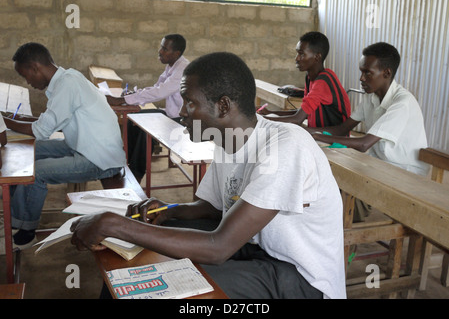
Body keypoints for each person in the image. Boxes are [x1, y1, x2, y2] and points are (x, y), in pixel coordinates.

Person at [70, 52, 346, 299]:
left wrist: (115, 224)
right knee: (138, 256)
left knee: (170, 287)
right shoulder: (229, 142)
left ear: (223, 106)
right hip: (254, 248)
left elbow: (218, 247)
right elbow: (214, 208)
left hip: (301, 277)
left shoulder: (286, 147)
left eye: (189, 102)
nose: (181, 111)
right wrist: (168, 210)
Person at [0, 42, 126, 253]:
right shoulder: (68, 78)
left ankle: (25, 233)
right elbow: (48, 122)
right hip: (83, 145)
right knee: (27, 148)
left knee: (35, 172)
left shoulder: (67, 85)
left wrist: (4, 121)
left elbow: (41, 129)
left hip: (99, 159)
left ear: (35, 68)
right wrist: (17, 119)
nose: (28, 82)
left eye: (26, 76)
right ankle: (14, 216)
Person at [309, 42, 429, 221]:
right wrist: (306, 131)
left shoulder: (402, 103)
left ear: (386, 73)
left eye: (367, 73)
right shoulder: (371, 97)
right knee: (333, 173)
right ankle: (343, 227)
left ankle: (349, 234)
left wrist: (317, 136)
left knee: (351, 182)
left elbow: (364, 143)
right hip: (381, 163)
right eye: (361, 72)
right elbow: (343, 129)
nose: (361, 78)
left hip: (406, 173)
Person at [107, 34, 189, 183]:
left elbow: (160, 92)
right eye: (161, 47)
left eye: (164, 49)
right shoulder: (172, 65)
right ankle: (125, 164)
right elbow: (157, 87)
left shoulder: (183, 69)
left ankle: (136, 174)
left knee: (148, 130)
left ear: (176, 54)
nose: (160, 51)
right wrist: (135, 95)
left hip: (185, 121)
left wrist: (122, 99)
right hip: (172, 115)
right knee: (135, 119)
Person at [262, 32, 351, 128]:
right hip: (319, 136)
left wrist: (261, 120)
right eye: (297, 53)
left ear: (317, 57)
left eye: (301, 54)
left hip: (331, 140)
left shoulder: (323, 81)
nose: (297, 58)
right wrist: (269, 112)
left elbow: (297, 120)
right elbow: (302, 112)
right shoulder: (310, 77)